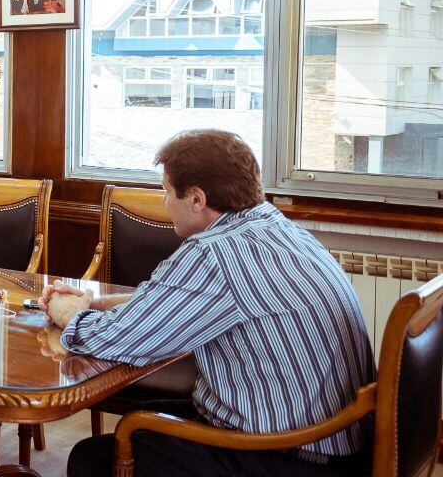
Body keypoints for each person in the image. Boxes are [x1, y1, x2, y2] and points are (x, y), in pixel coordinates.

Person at [41, 129, 373, 477]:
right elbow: (169, 303)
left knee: (92, 458)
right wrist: (94, 303)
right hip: (336, 443)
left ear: (196, 199)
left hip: (287, 456)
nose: (164, 202)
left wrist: (70, 315)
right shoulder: (278, 229)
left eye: (166, 192)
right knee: (140, 424)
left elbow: (115, 342)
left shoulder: (213, 253)